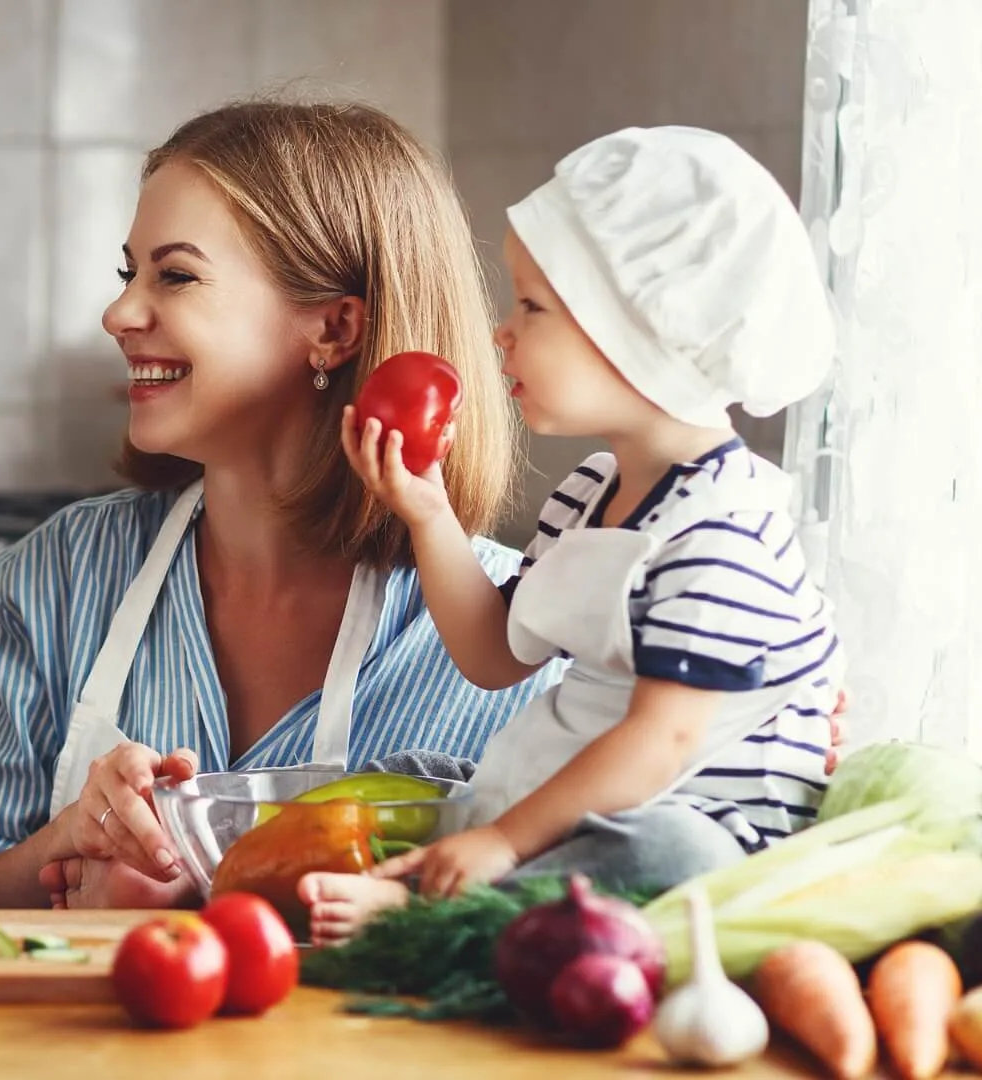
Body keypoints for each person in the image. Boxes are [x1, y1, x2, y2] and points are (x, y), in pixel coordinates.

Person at [0, 99, 564, 912]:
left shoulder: (531, 638)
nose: (119, 314)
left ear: (335, 328)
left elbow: (557, 928)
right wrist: (69, 840)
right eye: (129, 273)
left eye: (174, 276)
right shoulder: (55, 578)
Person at [302, 125, 844, 945]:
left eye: (533, 307)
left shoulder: (724, 532)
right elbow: (493, 655)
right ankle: (405, 877)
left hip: (696, 832)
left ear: (643, 336)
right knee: (406, 776)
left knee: (675, 852)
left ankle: (439, 910)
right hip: (584, 797)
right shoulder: (592, 491)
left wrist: (503, 840)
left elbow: (662, 740)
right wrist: (428, 511)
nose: (501, 332)